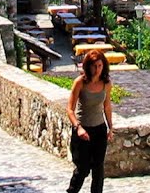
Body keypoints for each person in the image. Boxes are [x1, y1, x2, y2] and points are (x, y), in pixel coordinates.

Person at [65, 49, 113, 193]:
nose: (97, 69)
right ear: (88, 66)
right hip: (83, 129)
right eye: (94, 66)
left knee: (98, 168)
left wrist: (110, 127)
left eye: (99, 66)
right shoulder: (80, 82)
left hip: (99, 129)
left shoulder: (106, 83)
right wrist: (78, 127)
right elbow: (70, 109)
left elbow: (107, 106)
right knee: (83, 168)